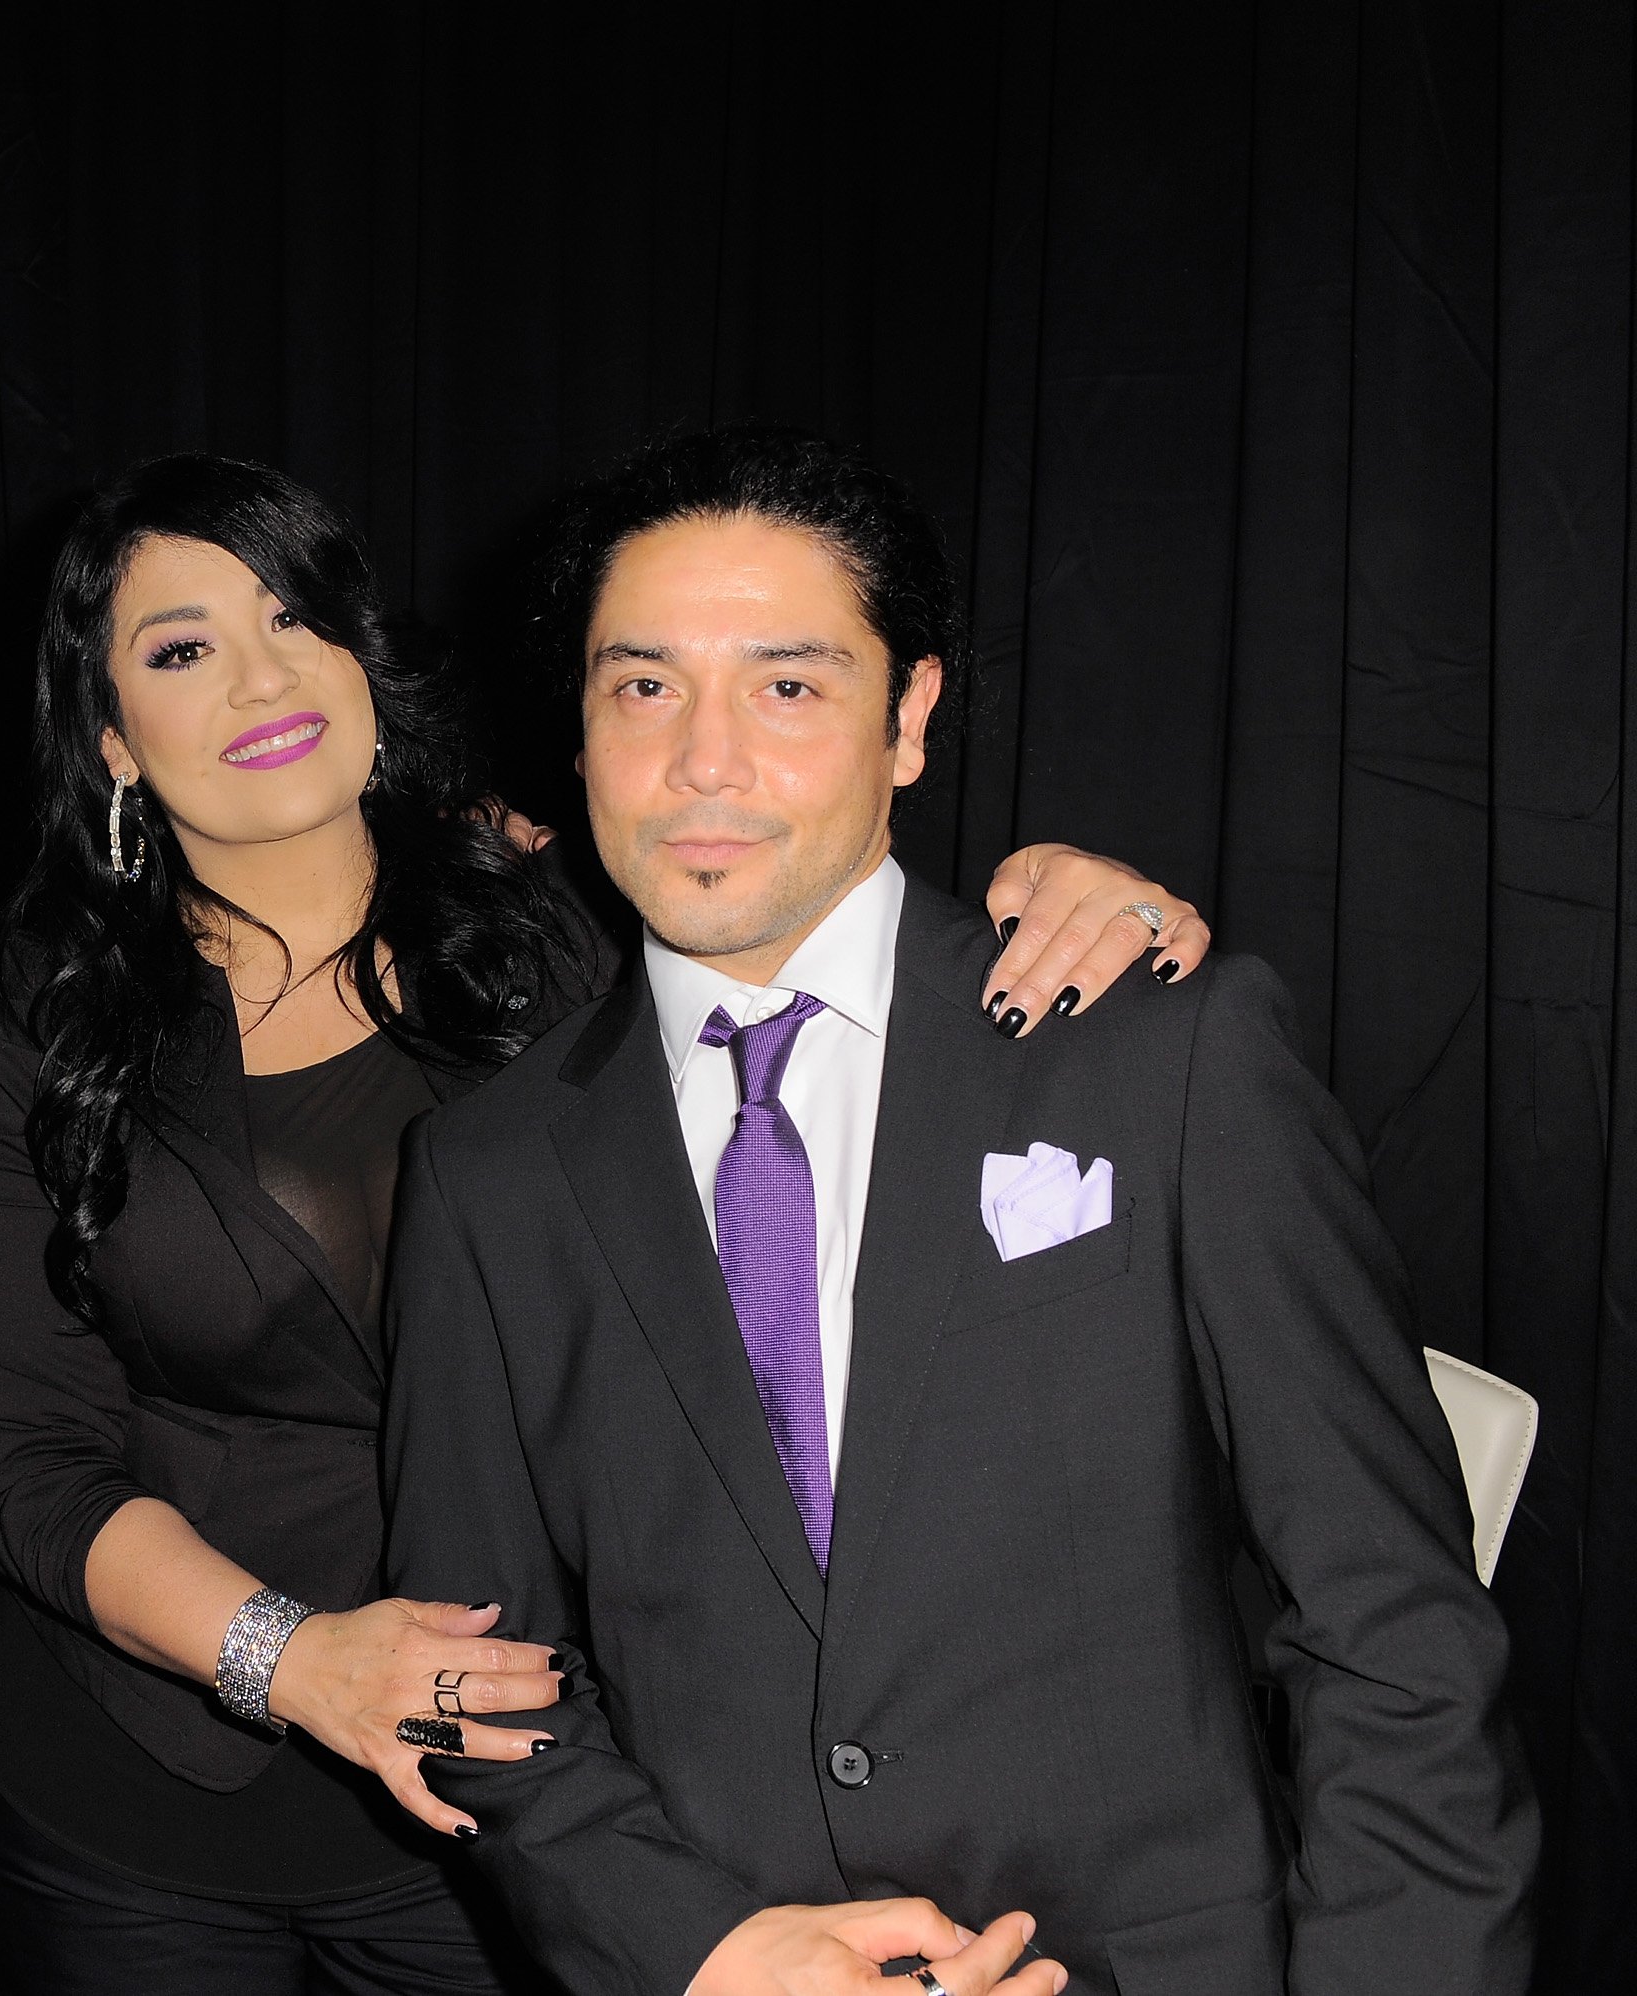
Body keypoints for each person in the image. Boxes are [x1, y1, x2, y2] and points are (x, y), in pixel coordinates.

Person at [0, 452, 1208, 1995]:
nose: (260, 679)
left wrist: (1082, 891)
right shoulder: (50, 1007)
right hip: (142, 1785)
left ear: (361, 651)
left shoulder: (575, 915)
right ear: (109, 735)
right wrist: (297, 1661)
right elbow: (21, 1448)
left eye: (296, 617)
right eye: (181, 649)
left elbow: (850, 947)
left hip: (544, 1791)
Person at [379, 426, 1536, 1996]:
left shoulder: (1159, 1054)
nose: (702, 758)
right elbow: (476, 1682)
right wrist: (704, 1951)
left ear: (909, 719)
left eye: (788, 685)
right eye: (641, 685)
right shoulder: (487, 1175)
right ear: (577, 728)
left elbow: (1391, 1628)